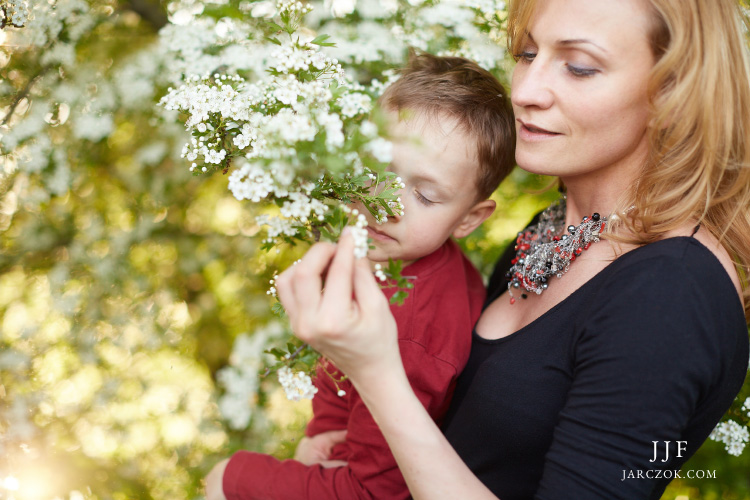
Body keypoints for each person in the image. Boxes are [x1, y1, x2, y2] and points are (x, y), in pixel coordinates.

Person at [273, 0, 750, 499]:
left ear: (672, 92)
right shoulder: (550, 231)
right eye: (526, 53)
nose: (523, 91)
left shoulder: (672, 292)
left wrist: (377, 375)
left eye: (579, 67)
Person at [204, 53, 516, 500]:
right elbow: (343, 383)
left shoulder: (412, 334)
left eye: (425, 195)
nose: (383, 202)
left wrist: (232, 480)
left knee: (222, 479)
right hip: (348, 448)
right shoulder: (396, 255)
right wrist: (325, 431)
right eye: (375, 169)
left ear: (470, 219)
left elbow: (374, 494)